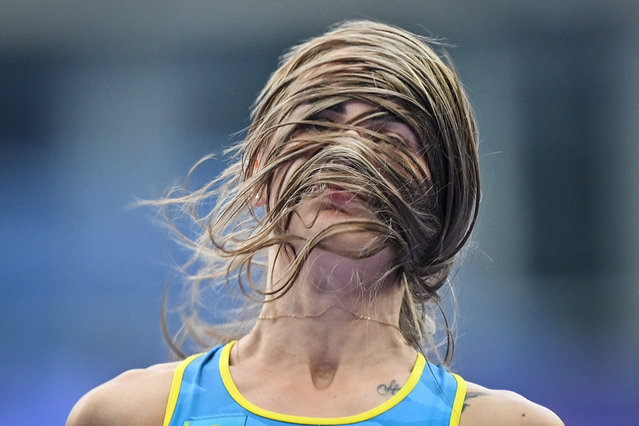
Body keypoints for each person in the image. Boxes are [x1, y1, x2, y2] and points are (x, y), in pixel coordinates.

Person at [67, 20, 564, 426]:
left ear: (443, 196)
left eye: (388, 138)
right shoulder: (128, 415)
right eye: (317, 124)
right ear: (257, 167)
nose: (346, 154)